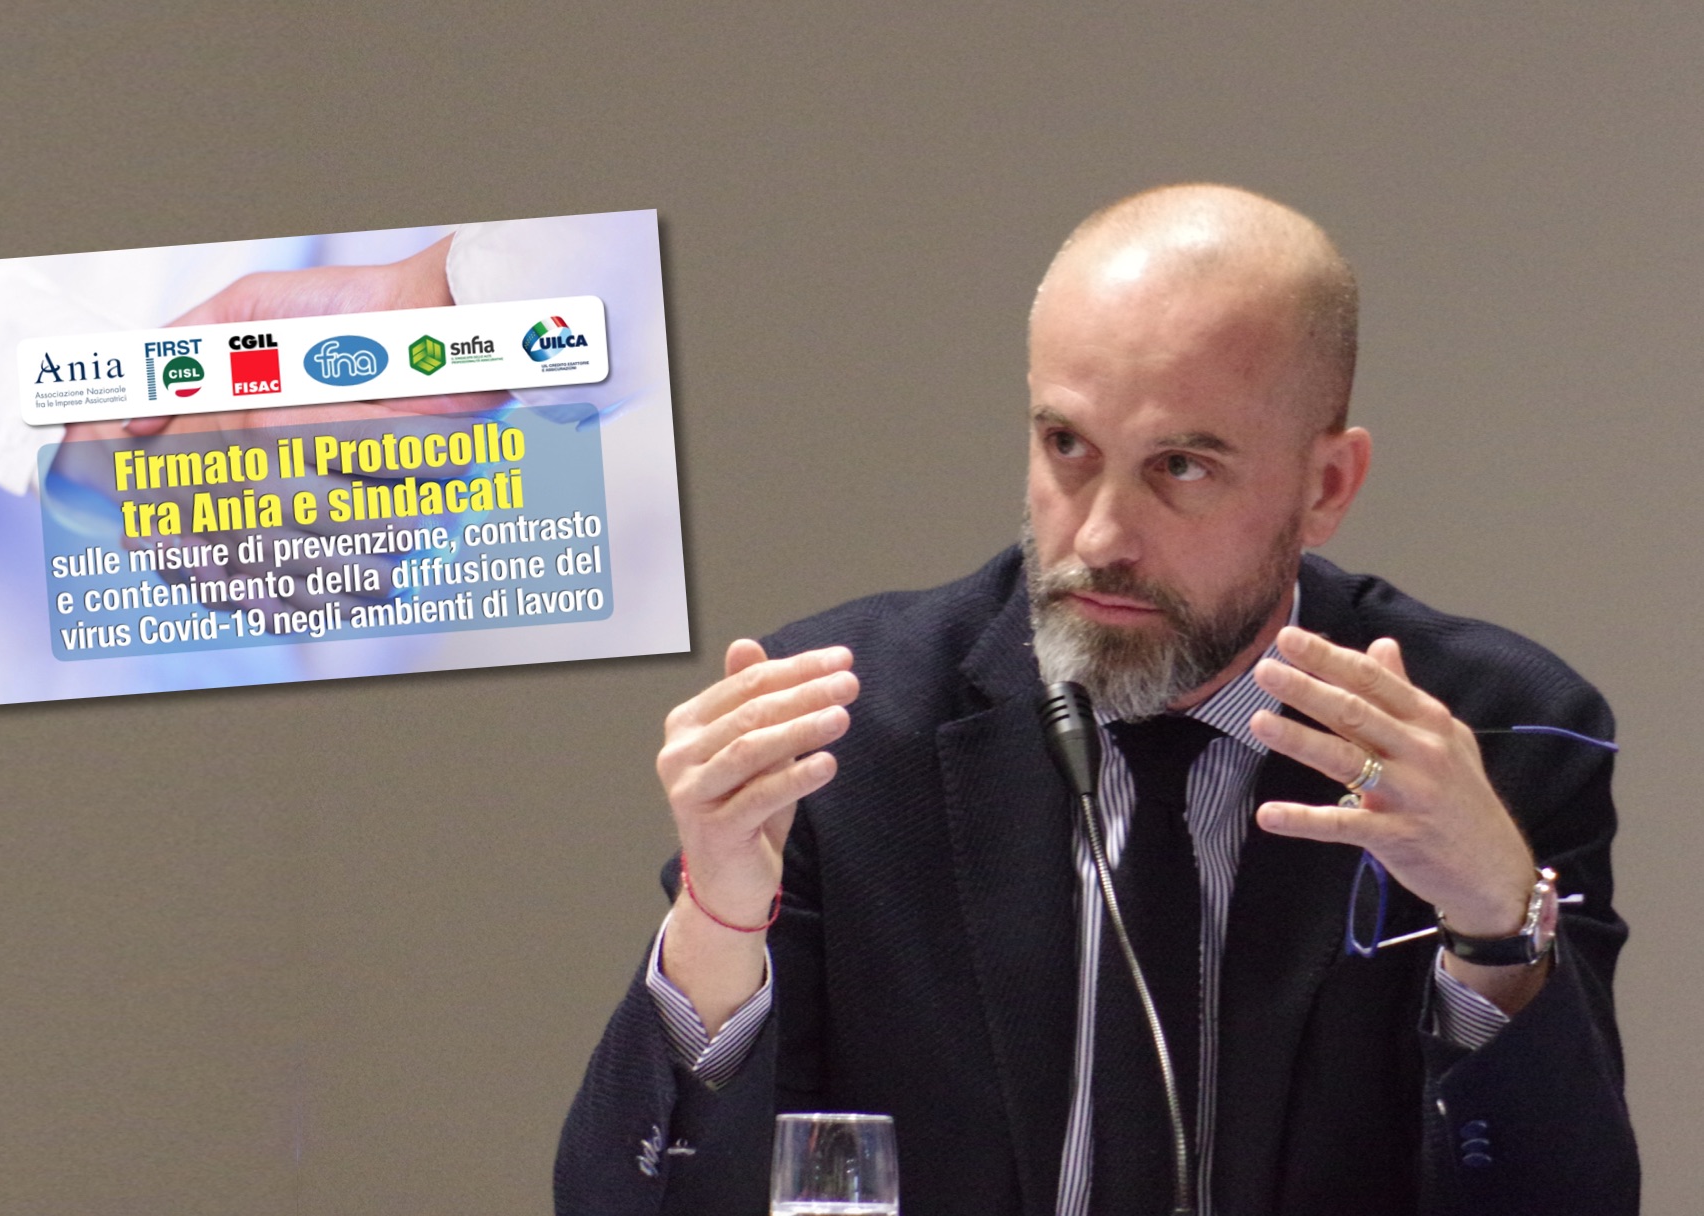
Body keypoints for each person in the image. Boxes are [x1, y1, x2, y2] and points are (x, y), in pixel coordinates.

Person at [555, 185, 1637, 1215]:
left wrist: (1496, 927)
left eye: (1181, 466)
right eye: (1066, 446)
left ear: (1326, 486)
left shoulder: (1495, 737)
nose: (1102, 536)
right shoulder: (845, 729)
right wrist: (716, 927)